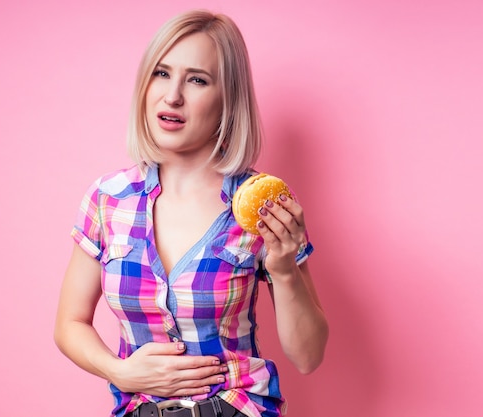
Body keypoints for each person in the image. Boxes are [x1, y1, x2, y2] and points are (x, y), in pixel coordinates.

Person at [54, 9, 328, 417]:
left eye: (197, 79)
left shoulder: (262, 207)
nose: (172, 96)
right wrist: (120, 372)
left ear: (228, 99)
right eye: (161, 74)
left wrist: (285, 268)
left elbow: (308, 356)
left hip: (236, 407)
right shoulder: (108, 198)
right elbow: (69, 324)